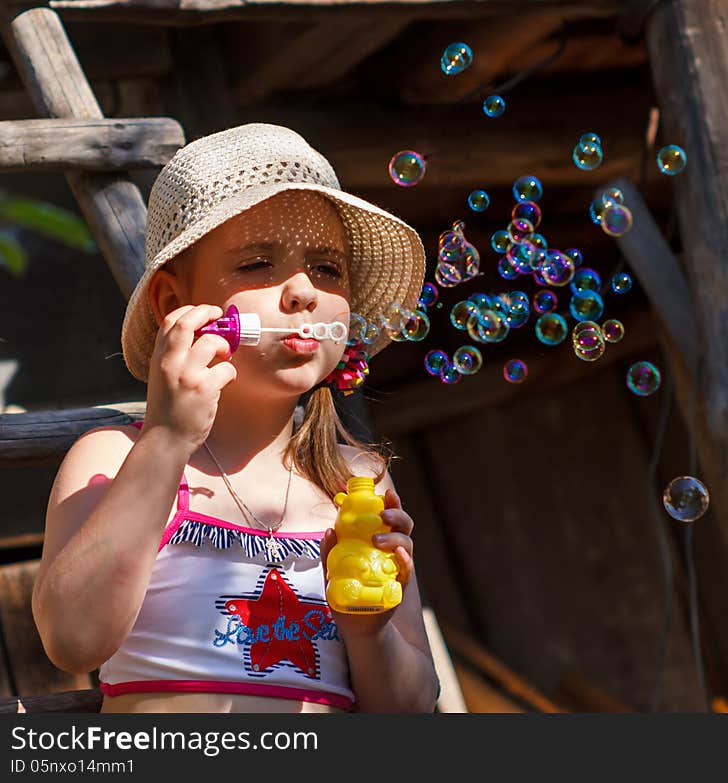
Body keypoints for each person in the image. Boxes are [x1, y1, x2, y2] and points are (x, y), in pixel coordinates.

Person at [32, 123, 439, 713]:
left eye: (328, 269)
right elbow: (73, 641)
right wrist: (169, 439)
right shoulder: (116, 457)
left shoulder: (355, 477)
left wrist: (368, 627)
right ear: (175, 304)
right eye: (257, 263)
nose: (302, 291)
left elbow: (407, 712)